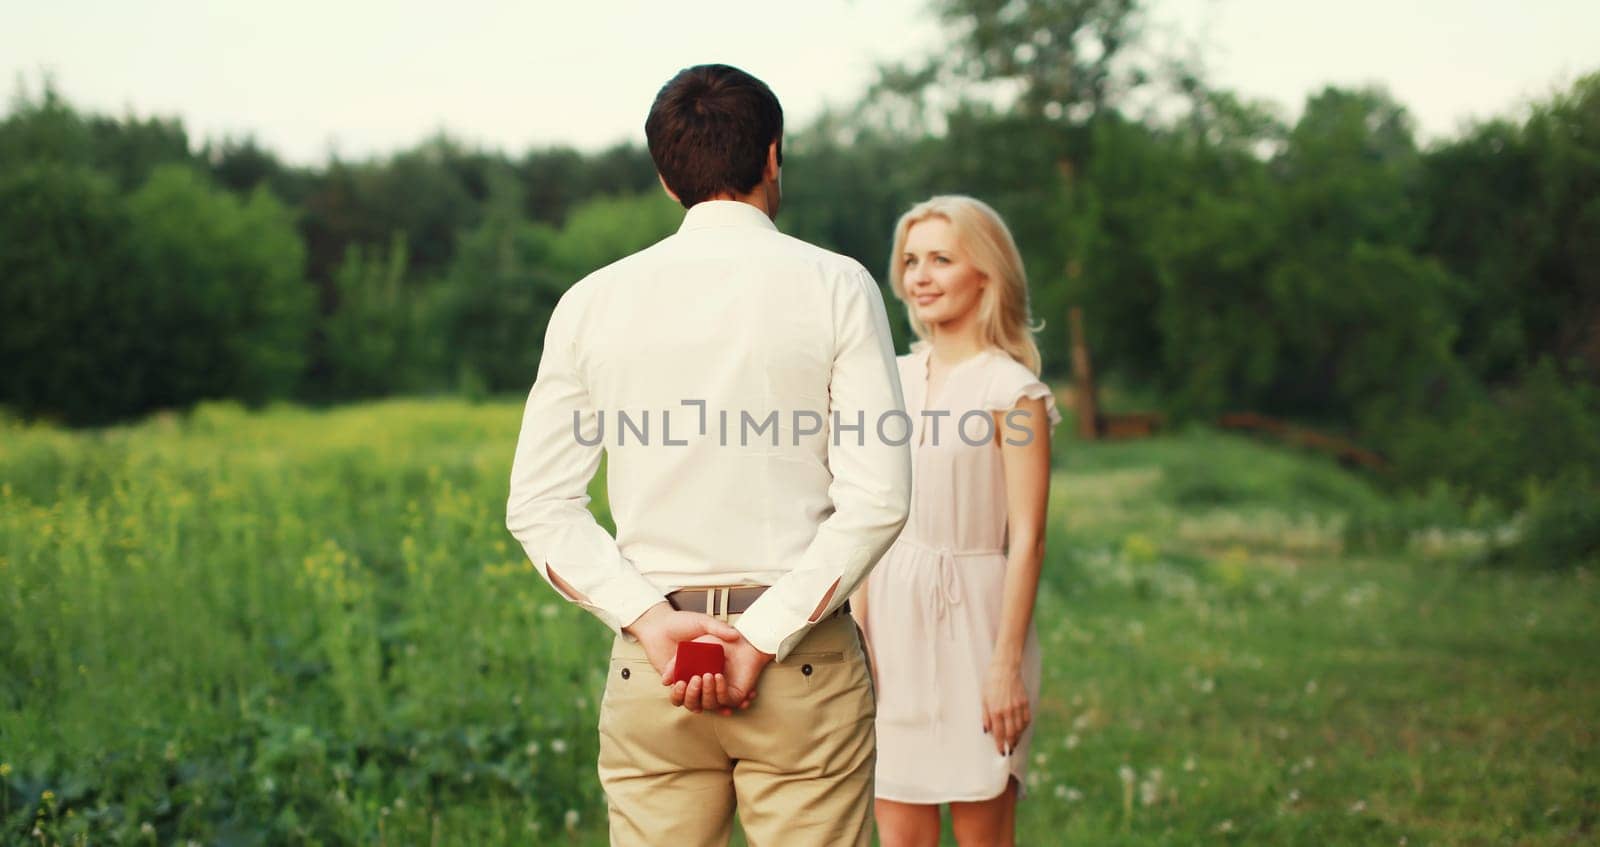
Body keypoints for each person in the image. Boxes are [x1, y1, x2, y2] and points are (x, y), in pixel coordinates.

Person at [504, 64, 911, 846]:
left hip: (654, 671)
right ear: (772, 155)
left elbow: (539, 507)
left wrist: (655, 625)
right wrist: (761, 638)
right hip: (802, 668)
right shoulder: (837, 285)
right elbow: (878, 499)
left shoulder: (591, 301)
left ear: (666, 177)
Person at [852, 196, 1060, 847]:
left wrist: (1004, 665)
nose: (920, 275)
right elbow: (862, 518)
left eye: (942, 258)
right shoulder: (886, 379)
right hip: (888, 624)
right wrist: (858, 641)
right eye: (911, 260)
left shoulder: (1013, 391)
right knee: (900, 833)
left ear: (985, 273)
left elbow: (1028, 537)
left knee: (982, 828)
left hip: (979, 621)